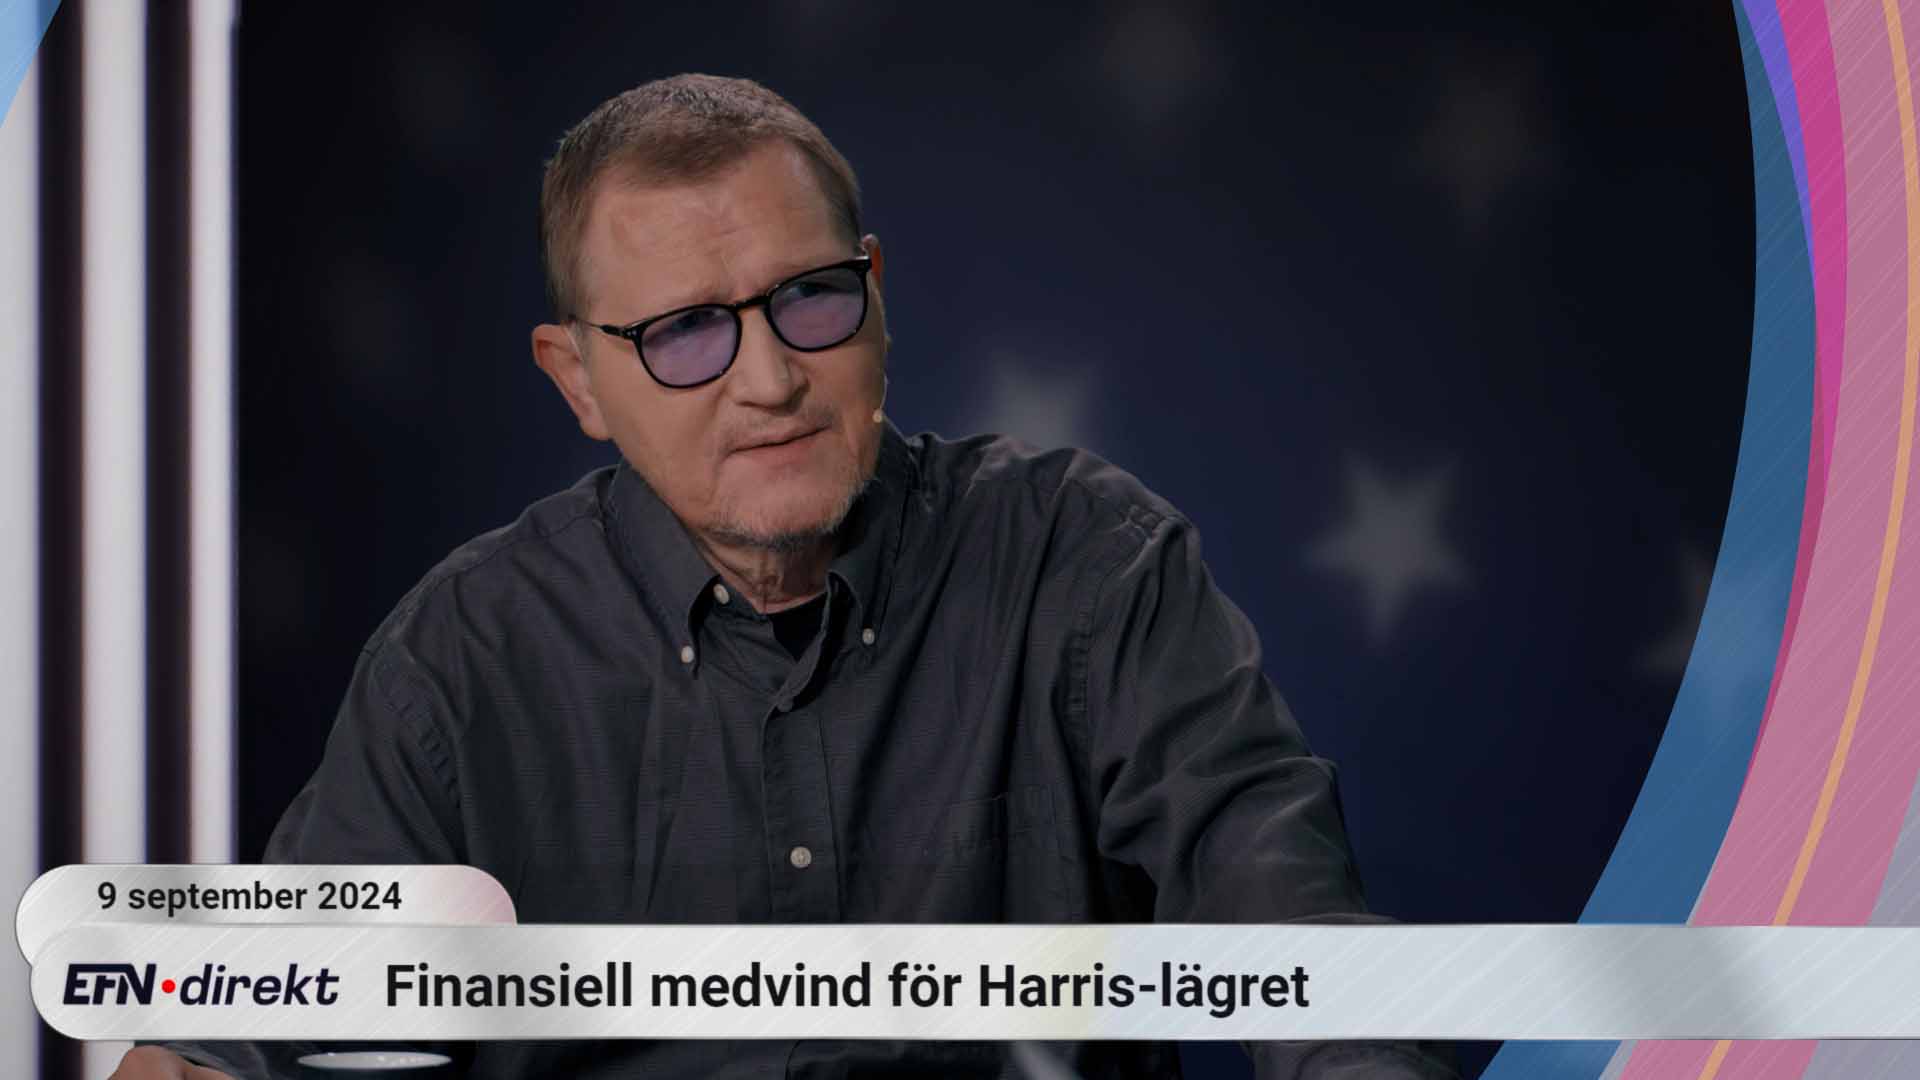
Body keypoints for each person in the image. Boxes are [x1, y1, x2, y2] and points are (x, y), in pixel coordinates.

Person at [117, 75, 1456, 1079]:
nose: (768, 380)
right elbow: (253, 1028)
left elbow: (1284, 912)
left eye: (809, 298)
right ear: (578, 381)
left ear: (875, 291)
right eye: (684, 333)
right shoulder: (462, 663)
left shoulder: (1083, 563)